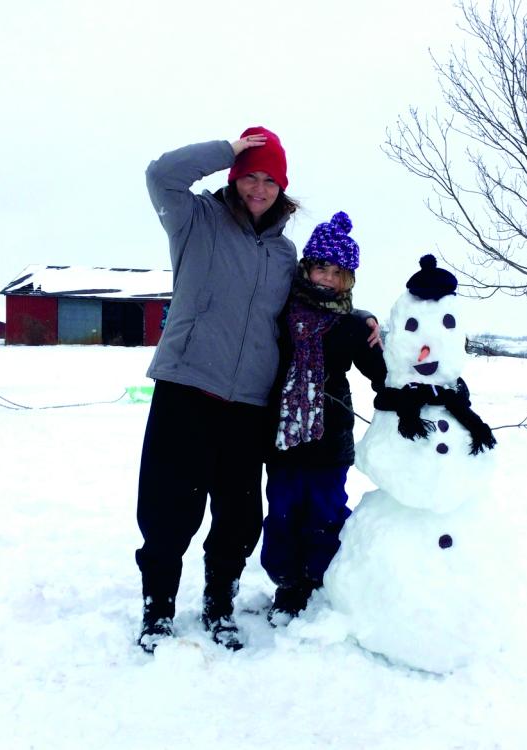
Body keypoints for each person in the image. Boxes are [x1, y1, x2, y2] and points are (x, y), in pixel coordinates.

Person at [136, 126, 300, 653]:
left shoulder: (284, 254)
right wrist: (229, 148)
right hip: (188, 386)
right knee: (168, 511)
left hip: (249, 404)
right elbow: (161, 174)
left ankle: (218, 606)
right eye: (249, 175)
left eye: (269, 179)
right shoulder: (196, 220)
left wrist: (360, 319)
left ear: (282, 187)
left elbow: (306, 311)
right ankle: (158, 610)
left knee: (239, 515)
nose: (258, 187)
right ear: (233, 177)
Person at [261, 211, 388, 624]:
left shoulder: (352, 325)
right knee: (281, 514)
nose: (328, 278)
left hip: (330, 442)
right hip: (281, 440)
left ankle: (320, 582)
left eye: (338, 272)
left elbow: (384, 376)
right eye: (321, 267)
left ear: (348, 278)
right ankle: (286, 582)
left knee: (325, 515)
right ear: (306, 267)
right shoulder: (279, 313)